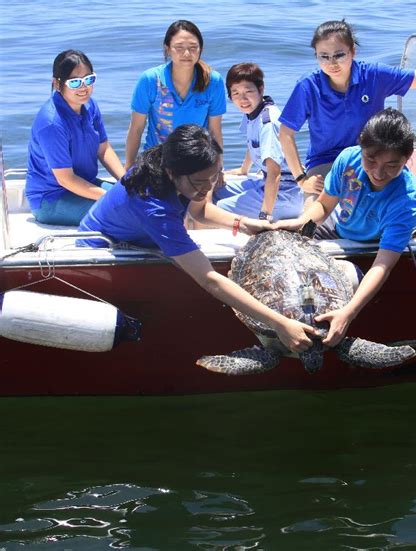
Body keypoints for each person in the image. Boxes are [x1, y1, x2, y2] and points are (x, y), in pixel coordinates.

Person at [80, 124, 316, 353]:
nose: (207, 189)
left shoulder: (172, 163)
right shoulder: (154, 207)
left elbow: (199, 211)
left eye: (213, 179)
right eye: (199, 183)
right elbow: (209, 280)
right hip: (104, 247)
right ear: (172, 173)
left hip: (141, 234)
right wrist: (279, 323)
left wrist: (242, 223)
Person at [272, 108, 416, 348]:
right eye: (370, 160)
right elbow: (323, 206)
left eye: (392, 165)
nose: (378, 173)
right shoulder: (348, 160)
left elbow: (383, 264)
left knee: (349, 277)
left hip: (373, 246)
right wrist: (300, 224)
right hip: (340, 227)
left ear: (407, 158)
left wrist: (348, 313)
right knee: (282, 242)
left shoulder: (407, 199)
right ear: (360, 147)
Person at [279, 20, 416, 203]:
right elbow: (286, 133)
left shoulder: (373, 75)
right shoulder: (308, 86)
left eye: (339, 55)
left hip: (374, 162)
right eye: (324, 56)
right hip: (325, 165)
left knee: (399, 209)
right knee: (313, 220)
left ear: (352, 51)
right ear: (316, 56)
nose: (332, 63)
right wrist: (302, 179)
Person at [26, 50, 125, 226]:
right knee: (124, 212)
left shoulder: (90, 105)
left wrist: (127, 182)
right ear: (57, 84)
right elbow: (66, 179)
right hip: (52, 198)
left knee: (140, 200)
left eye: (89, 79)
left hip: (86, 183)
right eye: (75, 82)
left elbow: (104, 149)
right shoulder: (51, 123)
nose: (83, 87)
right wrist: (110, 196)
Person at [125, 20, 226, 173]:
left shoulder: (213, 81)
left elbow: (215, 131)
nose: (187, 53)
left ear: (201, 49)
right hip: (157, 161)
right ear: (167, 50)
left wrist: (218, 169)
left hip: (197, 162)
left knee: (201, 197)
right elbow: (136, 129)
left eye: (193, 48)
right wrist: (129, 169)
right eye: (179, 47)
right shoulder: (151, 80)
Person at [213, 62, 304, 222]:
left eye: (248, 91)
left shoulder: (267, 121)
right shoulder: (253, 111)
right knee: (216, 189)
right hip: (266, 181)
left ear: (261, 89)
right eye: (236, 93)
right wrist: (243, 169)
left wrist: (265, 215)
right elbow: (253, 143)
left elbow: (274, 173)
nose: (243, 99)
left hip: (286, 193)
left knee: (218, 209)